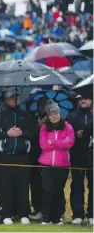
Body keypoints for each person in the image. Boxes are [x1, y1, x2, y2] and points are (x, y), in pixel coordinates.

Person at [0, 87, 32, 225]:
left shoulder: (25, 114)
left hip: (22, 156)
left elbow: (32, 133)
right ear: (7, 99)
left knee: (23, 186)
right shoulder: (1, 115)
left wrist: (22, 133)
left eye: (16, 97)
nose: (15, 99)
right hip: (6, 156)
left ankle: (24, 214)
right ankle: (6, 214)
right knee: (6, 187)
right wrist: (6, 134)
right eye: (12, 97)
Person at [38, 100, 75, 225]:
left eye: (56, 113)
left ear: (59, 114)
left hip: (62, 164)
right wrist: (60, 142)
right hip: (46, 164)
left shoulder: (68, 127)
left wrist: (53, 142)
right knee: (47, 190)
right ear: (48, 116)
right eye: (51, 114)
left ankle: (57, 217)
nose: (54, 116)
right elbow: (43, 145)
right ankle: (46, 218)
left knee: (59, 190)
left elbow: (69, 143)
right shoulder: (44, 128)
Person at [66, 96, 93, 225]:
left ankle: (92, 213)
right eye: (81, 99)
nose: (83, 101)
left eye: (86, 99)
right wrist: (76, 134)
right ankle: (78, 214)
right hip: (77, 155)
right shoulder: (71, 116)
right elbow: (65, 134)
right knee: (77, 185)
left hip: (92, 155)